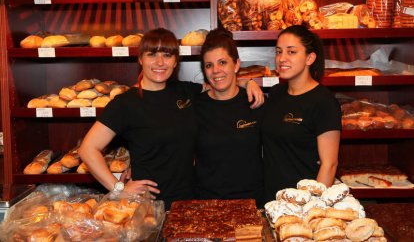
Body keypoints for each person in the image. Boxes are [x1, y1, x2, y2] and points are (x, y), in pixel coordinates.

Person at [78, 28, 264, 209]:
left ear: (175, 61)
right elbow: (87, 149)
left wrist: (248, 82)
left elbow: (221, 83)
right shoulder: (126, 103)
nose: (160, 62)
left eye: (167, 55)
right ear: (140, 59)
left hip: (189, 202)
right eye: (152, 54)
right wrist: (119, 190)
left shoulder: (185, 92)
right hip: (149, 205)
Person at [262, 25, 342, 203]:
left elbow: (329, 165)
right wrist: (248, 83)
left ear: (310, 58)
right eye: (279, 51)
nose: (282, 58)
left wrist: (312, 207)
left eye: (291, 52)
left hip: (303, 204)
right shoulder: (276, 93)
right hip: (271, 200)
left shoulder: (324, 102)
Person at [194, 29, 264, 207]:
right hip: (207, 204)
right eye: (209, 65)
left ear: (236, 64)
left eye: (222, 62)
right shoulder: (194, 106)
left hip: (251, 203)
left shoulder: (255, 102)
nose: (216, 71)